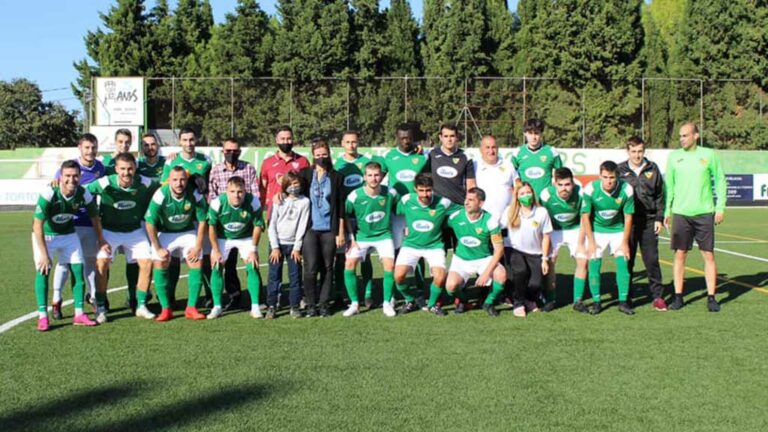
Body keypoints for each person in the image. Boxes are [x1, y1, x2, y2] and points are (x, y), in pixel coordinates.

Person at [87, 153, 159, 323]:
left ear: (135, 168)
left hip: (134, 230)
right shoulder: (105, 183)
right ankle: (101, 305)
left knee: (147, 262)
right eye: (123, 169)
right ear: (116, 169)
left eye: (130, 169)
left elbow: (164, 187)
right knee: (102, 262)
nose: (126, 173)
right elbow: (82, 191)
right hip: (109, 231)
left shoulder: (144, 182)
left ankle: (141, 305)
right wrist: (56, 184)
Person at [664, 122, 727, 312]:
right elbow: (670, 187)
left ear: (696, 136)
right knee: (680, 254)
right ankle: (678, 297)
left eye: (685, 135)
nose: (682, 139)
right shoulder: (674, 157)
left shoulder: (709, 155)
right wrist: (667, 211)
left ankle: (711, 297)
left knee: (708, 255)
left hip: (705, 213)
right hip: (681, 214)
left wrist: (720, 207)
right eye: (680, 136)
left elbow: (721, 180)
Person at [32, 160, 102, 331]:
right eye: (68, 176)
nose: (72, 179)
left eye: (75, 176)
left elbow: (94, 218)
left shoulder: (83, 194)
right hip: (46, 236)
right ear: (60, 177)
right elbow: (37, 225)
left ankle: (79, 313)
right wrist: (43, 253)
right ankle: (42, 316)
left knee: (78, 270)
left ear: (80, 176)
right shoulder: (49, 193)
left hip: (69, 234)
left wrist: (102, 239)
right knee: (43, 270)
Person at [50, 133, 106, 319]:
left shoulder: (100, 168)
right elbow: (55, 188)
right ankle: (56, 300)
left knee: (90, 262)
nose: (90, 151)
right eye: (87, 147)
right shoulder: (69, 168)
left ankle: (92, 298)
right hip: (70, 224)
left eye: (93, 147)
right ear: (80, 148)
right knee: (65, 263)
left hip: (89, 223)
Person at [144, 166, 208, 322]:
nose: (179, 183)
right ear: (169, 180)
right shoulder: (161, 194)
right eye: (175, 180)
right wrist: (158, 248)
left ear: (186, 180)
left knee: (196, 261)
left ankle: (191, 308)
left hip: (187, 231)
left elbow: (202, 221)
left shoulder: (194, 194)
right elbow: (149, 222)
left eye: (182, 179)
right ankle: (166, 309)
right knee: (159, 263)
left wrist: (198, 246)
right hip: (166, 232)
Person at [394, 173, 460, 316]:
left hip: (434, 246)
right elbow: (395, 210)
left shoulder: (443, 202)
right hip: (411, 245)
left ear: (433, 189)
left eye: (428, 190)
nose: (425, 194)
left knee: (440, 276)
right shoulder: (406, 200)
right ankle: (410, 300)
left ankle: (432, 305)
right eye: (421, 190)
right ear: (415, 189)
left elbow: (462, 211)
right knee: (398, 276)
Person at [161, 128, 213, 307]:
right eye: (184, 140)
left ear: (196, 139)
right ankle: (170, 295)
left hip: (199, 215)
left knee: (203, 256)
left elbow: (210, 186)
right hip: (179, 215)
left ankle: (209, 295)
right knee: (173, 258)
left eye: (191, 139)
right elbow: (165, 185)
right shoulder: (172, 161)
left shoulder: (205, 160)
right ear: (179, 141)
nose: (188, 143)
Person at [208, 137, 259, 310]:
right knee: (224, 265)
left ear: (240, 151)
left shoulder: (248, 168)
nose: (232, 153)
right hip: (224, 226)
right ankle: (232, 296)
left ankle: (255, 303)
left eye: (235, 150)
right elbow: (212, 196)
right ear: (223, 151)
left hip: (244, 226)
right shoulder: (216, 171)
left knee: (252, 262)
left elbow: (254, 195)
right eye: (228, 150)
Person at [342, 161, 399, 317]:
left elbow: (399, 208)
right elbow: (345, 215)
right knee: (349, 264)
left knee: (389, 265)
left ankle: (387, 303)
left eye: (376, 175)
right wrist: (351, 237)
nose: (373, 179)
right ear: (364, 177)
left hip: (383, 235)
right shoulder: (355, 196)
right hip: (362, 236)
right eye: (370, 175)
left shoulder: (391, 193)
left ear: (381, 176)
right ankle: (354, 304)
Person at [579, 161, 635, 316]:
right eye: (605, 177)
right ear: (599, 176)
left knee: (623, 261)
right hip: (597, 231)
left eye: (612, 177)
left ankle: (623, 302)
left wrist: (625, 243)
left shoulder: (627, 189)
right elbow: (585, 216)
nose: (608, 181)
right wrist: (590, 242)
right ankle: (597, 302)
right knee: (594, 262)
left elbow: (628, 217)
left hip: (618, 230)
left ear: (617, 176)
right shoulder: (590, 189)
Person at [297, 137, 345, 317]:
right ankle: (310, 303)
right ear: (312, 155)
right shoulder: (305, 174)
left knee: (327, 267)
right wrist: (280, 193)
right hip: (310, 228)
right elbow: (292, 189)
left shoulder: (336, 176)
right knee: (310, 268)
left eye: (324, 154)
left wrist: (340, 232)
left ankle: (324, 303)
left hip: (329, 228)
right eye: (318, 155)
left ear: (329, 154)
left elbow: (340, 206)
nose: (321, 158)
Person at [617, 137, 667, 311]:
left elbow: (660, 194)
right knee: (627, 260)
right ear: (628, 151)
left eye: (640, 151)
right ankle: (626, 296)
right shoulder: (620, 169)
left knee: (652, 260)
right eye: (633, 151)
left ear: (644, 151)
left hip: (649, 221)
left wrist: (659, 218)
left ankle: (658, 297)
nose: (637, 155)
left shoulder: (653, 168)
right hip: (627, 223)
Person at [207, 176, 265, 319]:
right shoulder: (217, 203)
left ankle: (255, 307)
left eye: (240, 192)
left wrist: (253, 249)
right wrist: (215, 250)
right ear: (226, 191)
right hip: (223, 237)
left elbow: (258, 226)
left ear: (245, 191)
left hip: (245, 236)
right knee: (216, 265)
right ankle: (217, 306)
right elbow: (212, 227)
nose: (236, 195)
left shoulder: (253, 201)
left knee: (252, 265)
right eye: (232, 191)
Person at [445, 188, 507, 317]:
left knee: (501, 275)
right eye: (466, 199)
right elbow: (438, 224)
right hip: (461, 259)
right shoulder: (455, 217)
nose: (466, 202)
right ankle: (462, 300)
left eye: (471, 200)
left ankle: (488, 303)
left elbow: (499, 250)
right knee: (450, 287)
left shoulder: (490, 221)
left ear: (481, 203)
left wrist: (486, 273)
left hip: (483, 259)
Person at [474, 134, 518, 305]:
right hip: (483, 221)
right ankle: (483, 293)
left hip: (505, 221)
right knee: (484, 257)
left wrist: (512, 211)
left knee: (506, 259)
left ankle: (506, 293)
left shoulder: (507, 165)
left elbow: (517, 186)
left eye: (494, 147)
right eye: (487, 147)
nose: (491, 151)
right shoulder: (475, 166)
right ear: (481, 150)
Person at [333, 130, 374, 308]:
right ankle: (340, 293)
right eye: (348, 142)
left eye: (354, 142)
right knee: (341, 257)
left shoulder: (366, 162)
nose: (351, 145)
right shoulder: (338, 165)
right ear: (342, 144)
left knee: (365, 257)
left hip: (364, 216)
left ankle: (368, 293)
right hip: (345, 216)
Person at [539, 168, 589, 313]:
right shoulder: (546, 195)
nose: (564, 189)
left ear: (572, 183)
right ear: (555, 183)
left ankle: (578, 300)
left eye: (567, 184)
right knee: (550, 261)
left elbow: (584, 218)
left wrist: (580, 243)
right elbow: (542, 217)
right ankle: (551, 298)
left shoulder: (580, 192)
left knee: (583, 260)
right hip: (554, 229)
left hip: (574, 229)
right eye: (560, 185)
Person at [501, 182, 552, 318]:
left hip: (535, 253)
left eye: (528, 192)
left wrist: (545, 259)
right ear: (517, 196)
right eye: (522, 193)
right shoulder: (509, 211)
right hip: (514, 249)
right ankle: (518, 304)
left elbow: (546, 237)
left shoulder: (542, 212)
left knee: (535, 283)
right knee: (520, 271)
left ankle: (528, 299)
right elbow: (498, 229)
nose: (526, 196)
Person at [268, 172, 310, 319]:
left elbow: (302, 226)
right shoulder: (279, 201)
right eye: (290, 184)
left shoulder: (305, 202)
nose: (293, 187)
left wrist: (297, 248)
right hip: (277, 244)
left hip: (293, 246)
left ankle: (295, 306)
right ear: (285, 185)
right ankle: (272, 305)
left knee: (295, 277)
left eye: (296, 184)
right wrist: (274, 247)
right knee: (274, 276)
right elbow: (272, 224)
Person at [259, 126, 310, 219]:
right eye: (282, 139)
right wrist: (260, 213)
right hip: (274, 211)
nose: (286, 142)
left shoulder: (303, 161)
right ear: (277, 140)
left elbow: (307, 187)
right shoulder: (267, 163)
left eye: (289, 139)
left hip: (296, 212)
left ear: (293, 140)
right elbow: (263, 189)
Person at [511, 118, 563, 196]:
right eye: (530, 133)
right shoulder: (518, 153)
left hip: (546, 200)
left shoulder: (552, 152)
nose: (533, 137)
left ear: (541, 133)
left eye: (536, 133)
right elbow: (510, 175)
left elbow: (561, 174)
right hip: (526, 199)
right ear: (525, 133)